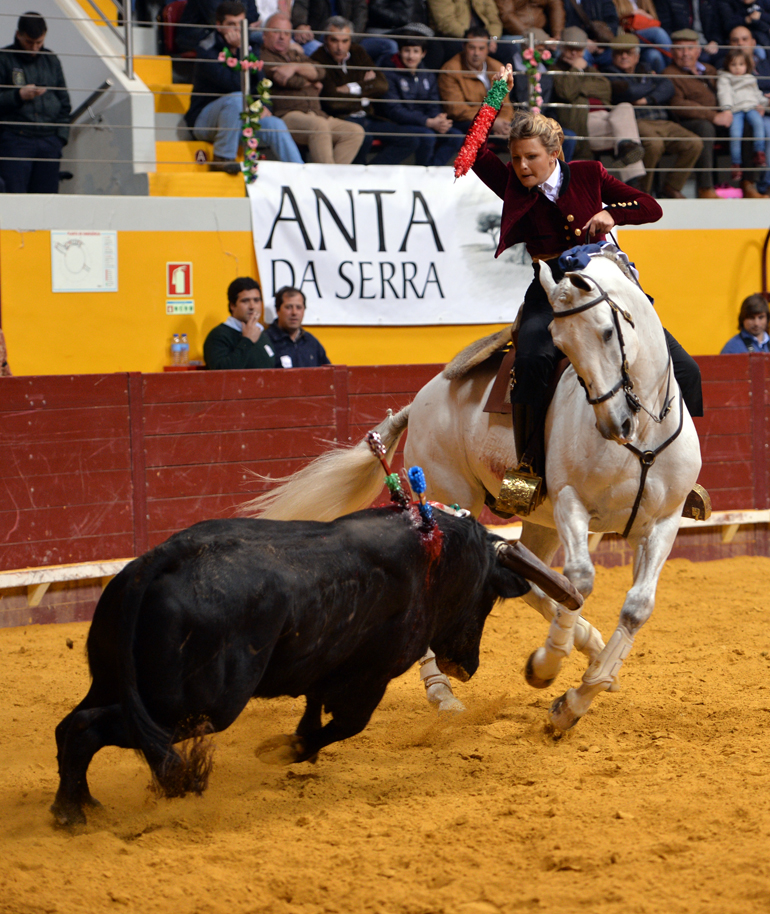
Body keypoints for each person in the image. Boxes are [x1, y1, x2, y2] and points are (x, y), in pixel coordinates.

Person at [469, 92, 704, 514]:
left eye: (531, 158)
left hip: (605, 287)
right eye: (517, 158)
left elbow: (650, 207)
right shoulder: (509, 182)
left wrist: (615, 213)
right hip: (550, 290)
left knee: (687, 368)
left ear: (554, 153)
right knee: (533, 360)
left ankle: (684, 478)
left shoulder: (589, 173)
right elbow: (471, 148)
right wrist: (496, 95)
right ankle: (526, 473)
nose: (522, 167)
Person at [184, 1, 303, 172]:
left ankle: (300, 175)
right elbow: (232, 83)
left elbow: (261, 83)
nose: (236, 30)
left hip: (239, 121)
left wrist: (263, 106)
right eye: (230, 25)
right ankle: (223, 157)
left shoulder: (251, 48)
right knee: (235, 99)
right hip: (206, 120)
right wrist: (240, 51)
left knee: (275, 124)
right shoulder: (207, 49)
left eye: (240, 24)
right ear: (219, 26)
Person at [601, 32, 703, 197]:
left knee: (694, 143)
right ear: (613, 56)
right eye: (619, 53)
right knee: (654, 145)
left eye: (629, 52)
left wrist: (647, 99)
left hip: (663, 121)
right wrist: (652, 83)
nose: (624, 56)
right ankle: (642, 191)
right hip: (637, 122)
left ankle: (671, 186)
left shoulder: (645, 68)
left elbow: (668, 86)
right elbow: (629, 92)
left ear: (637, 55)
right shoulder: (609, 74)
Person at [310, 17, 417, 164]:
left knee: (411, 139)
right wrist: (366, 93)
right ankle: (358, 177)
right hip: (343, 119)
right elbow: (332, 102)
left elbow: (381, 84)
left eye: (345, 41)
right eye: (334, 40)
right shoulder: (318, 58)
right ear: (326, 40)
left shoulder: (357, 51)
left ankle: (371, 173)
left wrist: (351, 88)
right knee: (364, 139)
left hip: (368, 118)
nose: (340, 47)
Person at [261, 13, 365, 163]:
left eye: (286, 33)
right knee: (319, 126)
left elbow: (321, 71)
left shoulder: (295, 54)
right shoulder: (263, 56)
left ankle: (331, 179)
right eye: (276, 32)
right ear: (265, 34)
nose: (282, 37)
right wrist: (309, 78)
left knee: (354, 132)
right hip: (288, 115)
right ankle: (325, 182)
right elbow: (290, 81)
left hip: (316, 113)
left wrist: (295, 66)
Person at [552, 28, 646, 186]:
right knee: (629, 138)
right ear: (562, 48)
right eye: (570, 49)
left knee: (625, 107)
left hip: (607, 119)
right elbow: (566, 92)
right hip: (583, 122)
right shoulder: (555, 70)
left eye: (578, 49)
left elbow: (605, 89)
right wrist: (577, 70)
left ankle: (624, 146)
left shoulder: (591, 70)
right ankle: (633, 182)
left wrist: (579, 87)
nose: (574, 54)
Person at [663, 28, 740, 198]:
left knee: (749, 123)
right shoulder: (669, 73)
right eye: (679, 48)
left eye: (690, 48)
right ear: (671, 51)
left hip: (721, 117)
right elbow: (678, 104)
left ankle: (751, 183)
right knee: (705, 128)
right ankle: (706, 187)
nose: (685, 54)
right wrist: (713, 116)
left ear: (698, 50)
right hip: (687, 122)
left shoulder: (710, 69)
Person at [0, 12, 71, 194]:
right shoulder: (4, 58)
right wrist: (18, 96)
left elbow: (64, 102)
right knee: (14, 197)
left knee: (46, 202)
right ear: (18, 35)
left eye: (39, 43)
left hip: (49, 140)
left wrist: (60, 138)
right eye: (29, 42)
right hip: (16, 138)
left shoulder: (51, 59)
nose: (34, 48)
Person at [380, 31, 465, 166]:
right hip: (400, 123)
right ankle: (422, 173)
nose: (411, 56)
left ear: (423, 53)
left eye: (415, 51)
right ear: (400, 52)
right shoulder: (389, 74)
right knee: (428, 136)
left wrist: (439, 120)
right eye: (407, 51)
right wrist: (428, 122)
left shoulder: (427, 75)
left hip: (426, 121)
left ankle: (432, 172)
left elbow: (433, 104)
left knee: (456, 137)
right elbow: (394, 110)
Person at [438, 27, 513, 136]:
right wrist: (491, 122)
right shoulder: (450, 69)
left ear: (488, 49)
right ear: (464, 47)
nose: (476, 53)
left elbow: (505, 103)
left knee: (519, 129)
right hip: (466, 121)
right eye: (472, 48)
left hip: (495, 122)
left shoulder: (497, 67)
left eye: (481, 48)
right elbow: (457, 110)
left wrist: (504, 123)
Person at [717, 47, 768, 183]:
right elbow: (724, 94)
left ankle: (759, 152)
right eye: (733, 64)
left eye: (741, 64)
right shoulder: (725, 78)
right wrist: (727, 109)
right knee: (735, 134)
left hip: (751, 108)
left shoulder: (750, 78)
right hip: (736, 111)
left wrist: (764, 103)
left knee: (759, 124)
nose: (737, 68)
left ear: (747, 65)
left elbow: (757, 94)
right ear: (728, 65)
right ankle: (736, 163)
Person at [204, 278, 277, 369]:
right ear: (232, 305)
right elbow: (222, 372)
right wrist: (247, 341)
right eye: (245, 301)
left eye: (256, 300)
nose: (252, 306)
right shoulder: (218, 336)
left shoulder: (262, 333)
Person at [265, 287, 331, 367]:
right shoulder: (266, 341)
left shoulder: (311, 342)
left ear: (304, 310)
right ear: (277, 310)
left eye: (299, 307)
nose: (294, 312)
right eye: (288, 307)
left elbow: (328, 375)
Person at [494, 0, 565, 41]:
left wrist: (557, 34)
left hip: (543, 34)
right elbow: (506, 15)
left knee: (564, 49)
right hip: (515, 34)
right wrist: (532, 35)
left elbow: (556, 7)